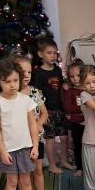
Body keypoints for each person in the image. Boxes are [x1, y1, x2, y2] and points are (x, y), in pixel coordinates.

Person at [0, 58, 42, 190]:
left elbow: (33, 124)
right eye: (7, 81)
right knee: (12, 182)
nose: (12, 85)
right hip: (9, 150)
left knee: (26, 181)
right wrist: (2, 151)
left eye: (15, 81)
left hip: (26, 148)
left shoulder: (25, 100)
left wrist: (35, 146)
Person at [11, 52, 55, 190]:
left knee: (38, 170)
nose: (27, 75)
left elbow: (44, 113)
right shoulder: (12, 95)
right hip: (21, 140)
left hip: (36, 138)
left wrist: (39, 124)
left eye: (29, 72)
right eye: (23, 72)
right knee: (24, 173)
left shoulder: (35, 92)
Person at [32, 38, 71, 173]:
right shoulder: (38, 72)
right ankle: (52, 165)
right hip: (47, 111)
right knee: (50, 139)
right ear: (40, 54)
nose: (53, 56)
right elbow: (36, 93)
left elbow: (60, 88)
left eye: (55, 53)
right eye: (49, 53)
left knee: (64, 137)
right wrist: (42, 113)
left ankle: (64, 161)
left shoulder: (58, 70)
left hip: (60, 109)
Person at [62, 60, 86, 178]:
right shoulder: (70, 91)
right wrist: (82, 108)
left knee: (88, 147)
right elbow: (67, 107)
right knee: (77, 145)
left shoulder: (88, 89)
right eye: (72, 76)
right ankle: (79, 167)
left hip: (89, 124)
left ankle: (89, 167)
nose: (75, 79)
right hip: (76, 123)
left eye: (78, 75)